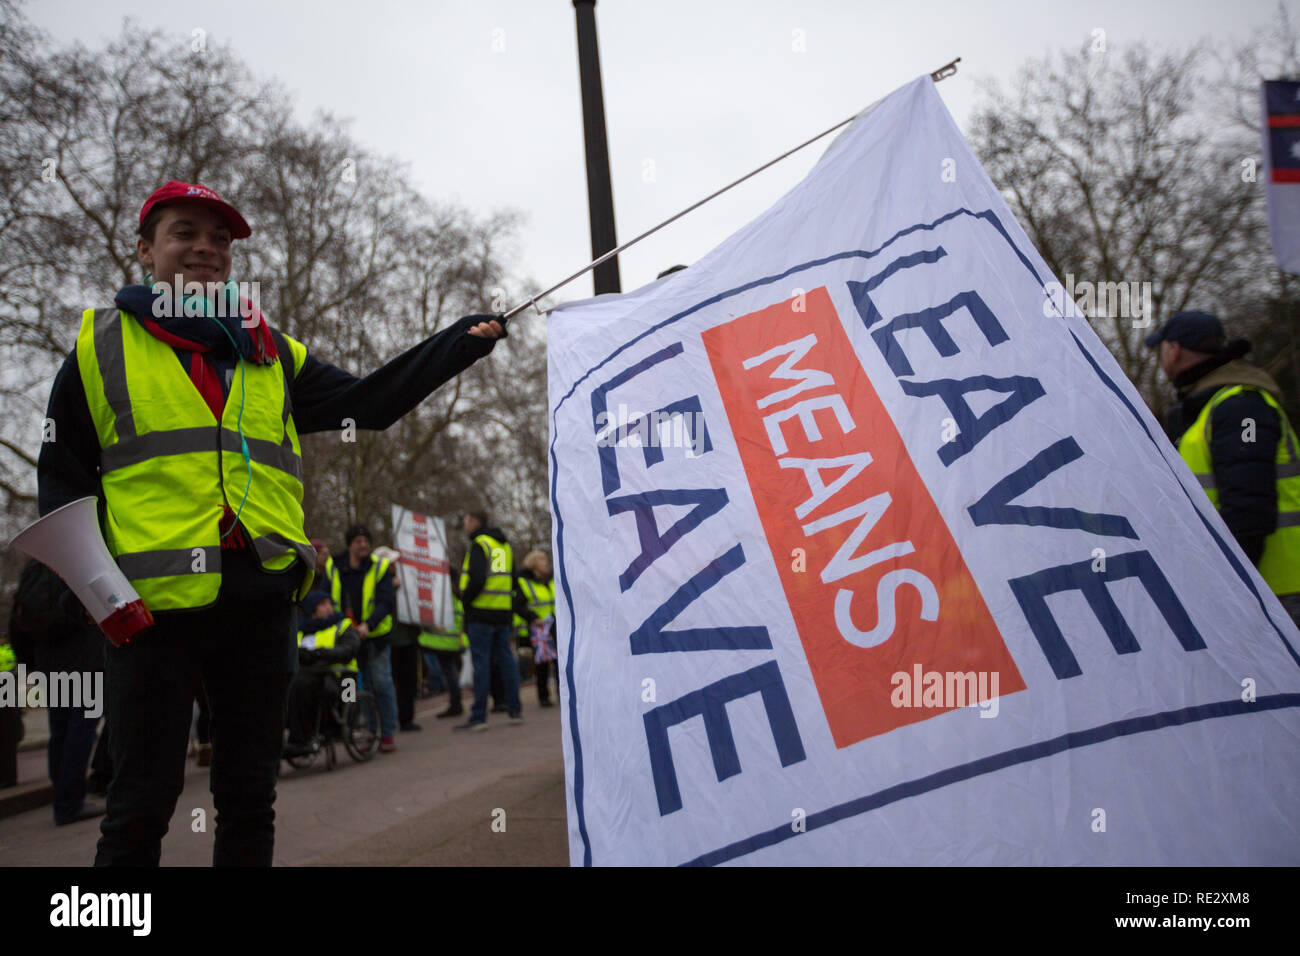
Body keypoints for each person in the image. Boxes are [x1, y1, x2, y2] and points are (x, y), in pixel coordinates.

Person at [37, 179, 506, 866]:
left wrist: (455, 344)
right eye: (185, 232)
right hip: (149, 615)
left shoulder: (273, 352)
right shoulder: (96, 349)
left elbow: (365, 405)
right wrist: (100, 600)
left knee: (250, 797)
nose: (206, 248)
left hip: (260, 603)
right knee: (140, 806)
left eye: (220, 239)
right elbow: (62, 487)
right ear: (145, 250)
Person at [1146, 311, 1300, 624]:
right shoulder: (1217, 406)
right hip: (1262, 588)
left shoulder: (1242, 408)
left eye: (1160, 349)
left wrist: (1233, 589)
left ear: (1173, 350)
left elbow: (1249, 508)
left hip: (1272, 593)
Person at [7, 559, 105, 825]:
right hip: (84, 662)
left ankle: (62, 797)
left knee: (60, 732)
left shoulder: (33, 566)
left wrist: (30, 664)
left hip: (48, 664)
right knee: (81, 732)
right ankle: (70, 802)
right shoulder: (75, 559)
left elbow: (18, 621)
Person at [326, 526, 400, 751]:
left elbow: (386, 602)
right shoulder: (334, 566)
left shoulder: (380, 566)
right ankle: (362, 729)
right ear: (350, 544)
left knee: (380, 682)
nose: (364, 545)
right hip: (347, 639)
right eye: (359, 541)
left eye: (366, 541)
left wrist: (369, 624)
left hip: (375, 638)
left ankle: (386, 732)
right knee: (351, 684)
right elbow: (326, 599)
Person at [453, 510, 523, 730]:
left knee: (481, 664)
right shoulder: (503, 546)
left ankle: (479, 716)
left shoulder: (480, 545)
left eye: (466, 520)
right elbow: (512, 580)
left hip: (481, 614)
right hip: (502, 613)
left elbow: (477, 579)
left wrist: (465, 601)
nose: (464, 525)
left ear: (475, 521)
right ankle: (515, 710)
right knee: (506, 661)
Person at [285, 590, 360, 754]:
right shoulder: (299, 631)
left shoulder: (343, 625)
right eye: (323, 604)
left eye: (329, 604)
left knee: (309, 688)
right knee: (291, 687)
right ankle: (298, 736)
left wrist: (321, 653)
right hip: (310, 676)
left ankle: (304, 738)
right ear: (312, 609)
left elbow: (349, 649)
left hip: (344, 678)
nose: (329, 608)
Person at [517, 550, 558, 707]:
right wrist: (533, 617)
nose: (546, 563)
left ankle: (562, 694)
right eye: (542, 561)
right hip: (537, 629)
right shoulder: (523, 582)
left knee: (558, 662)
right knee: (542, 664)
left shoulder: (551, 580)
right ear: (534, 564)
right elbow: (518, 605)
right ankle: (544, 697)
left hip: (553, 626)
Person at [419, 594, 468, 718]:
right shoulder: (455, 597)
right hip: (452, 640)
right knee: (451, 671)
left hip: (443, 641)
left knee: (449, 672)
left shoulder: (444, 597)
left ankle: (455, 704)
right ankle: (456, 703)